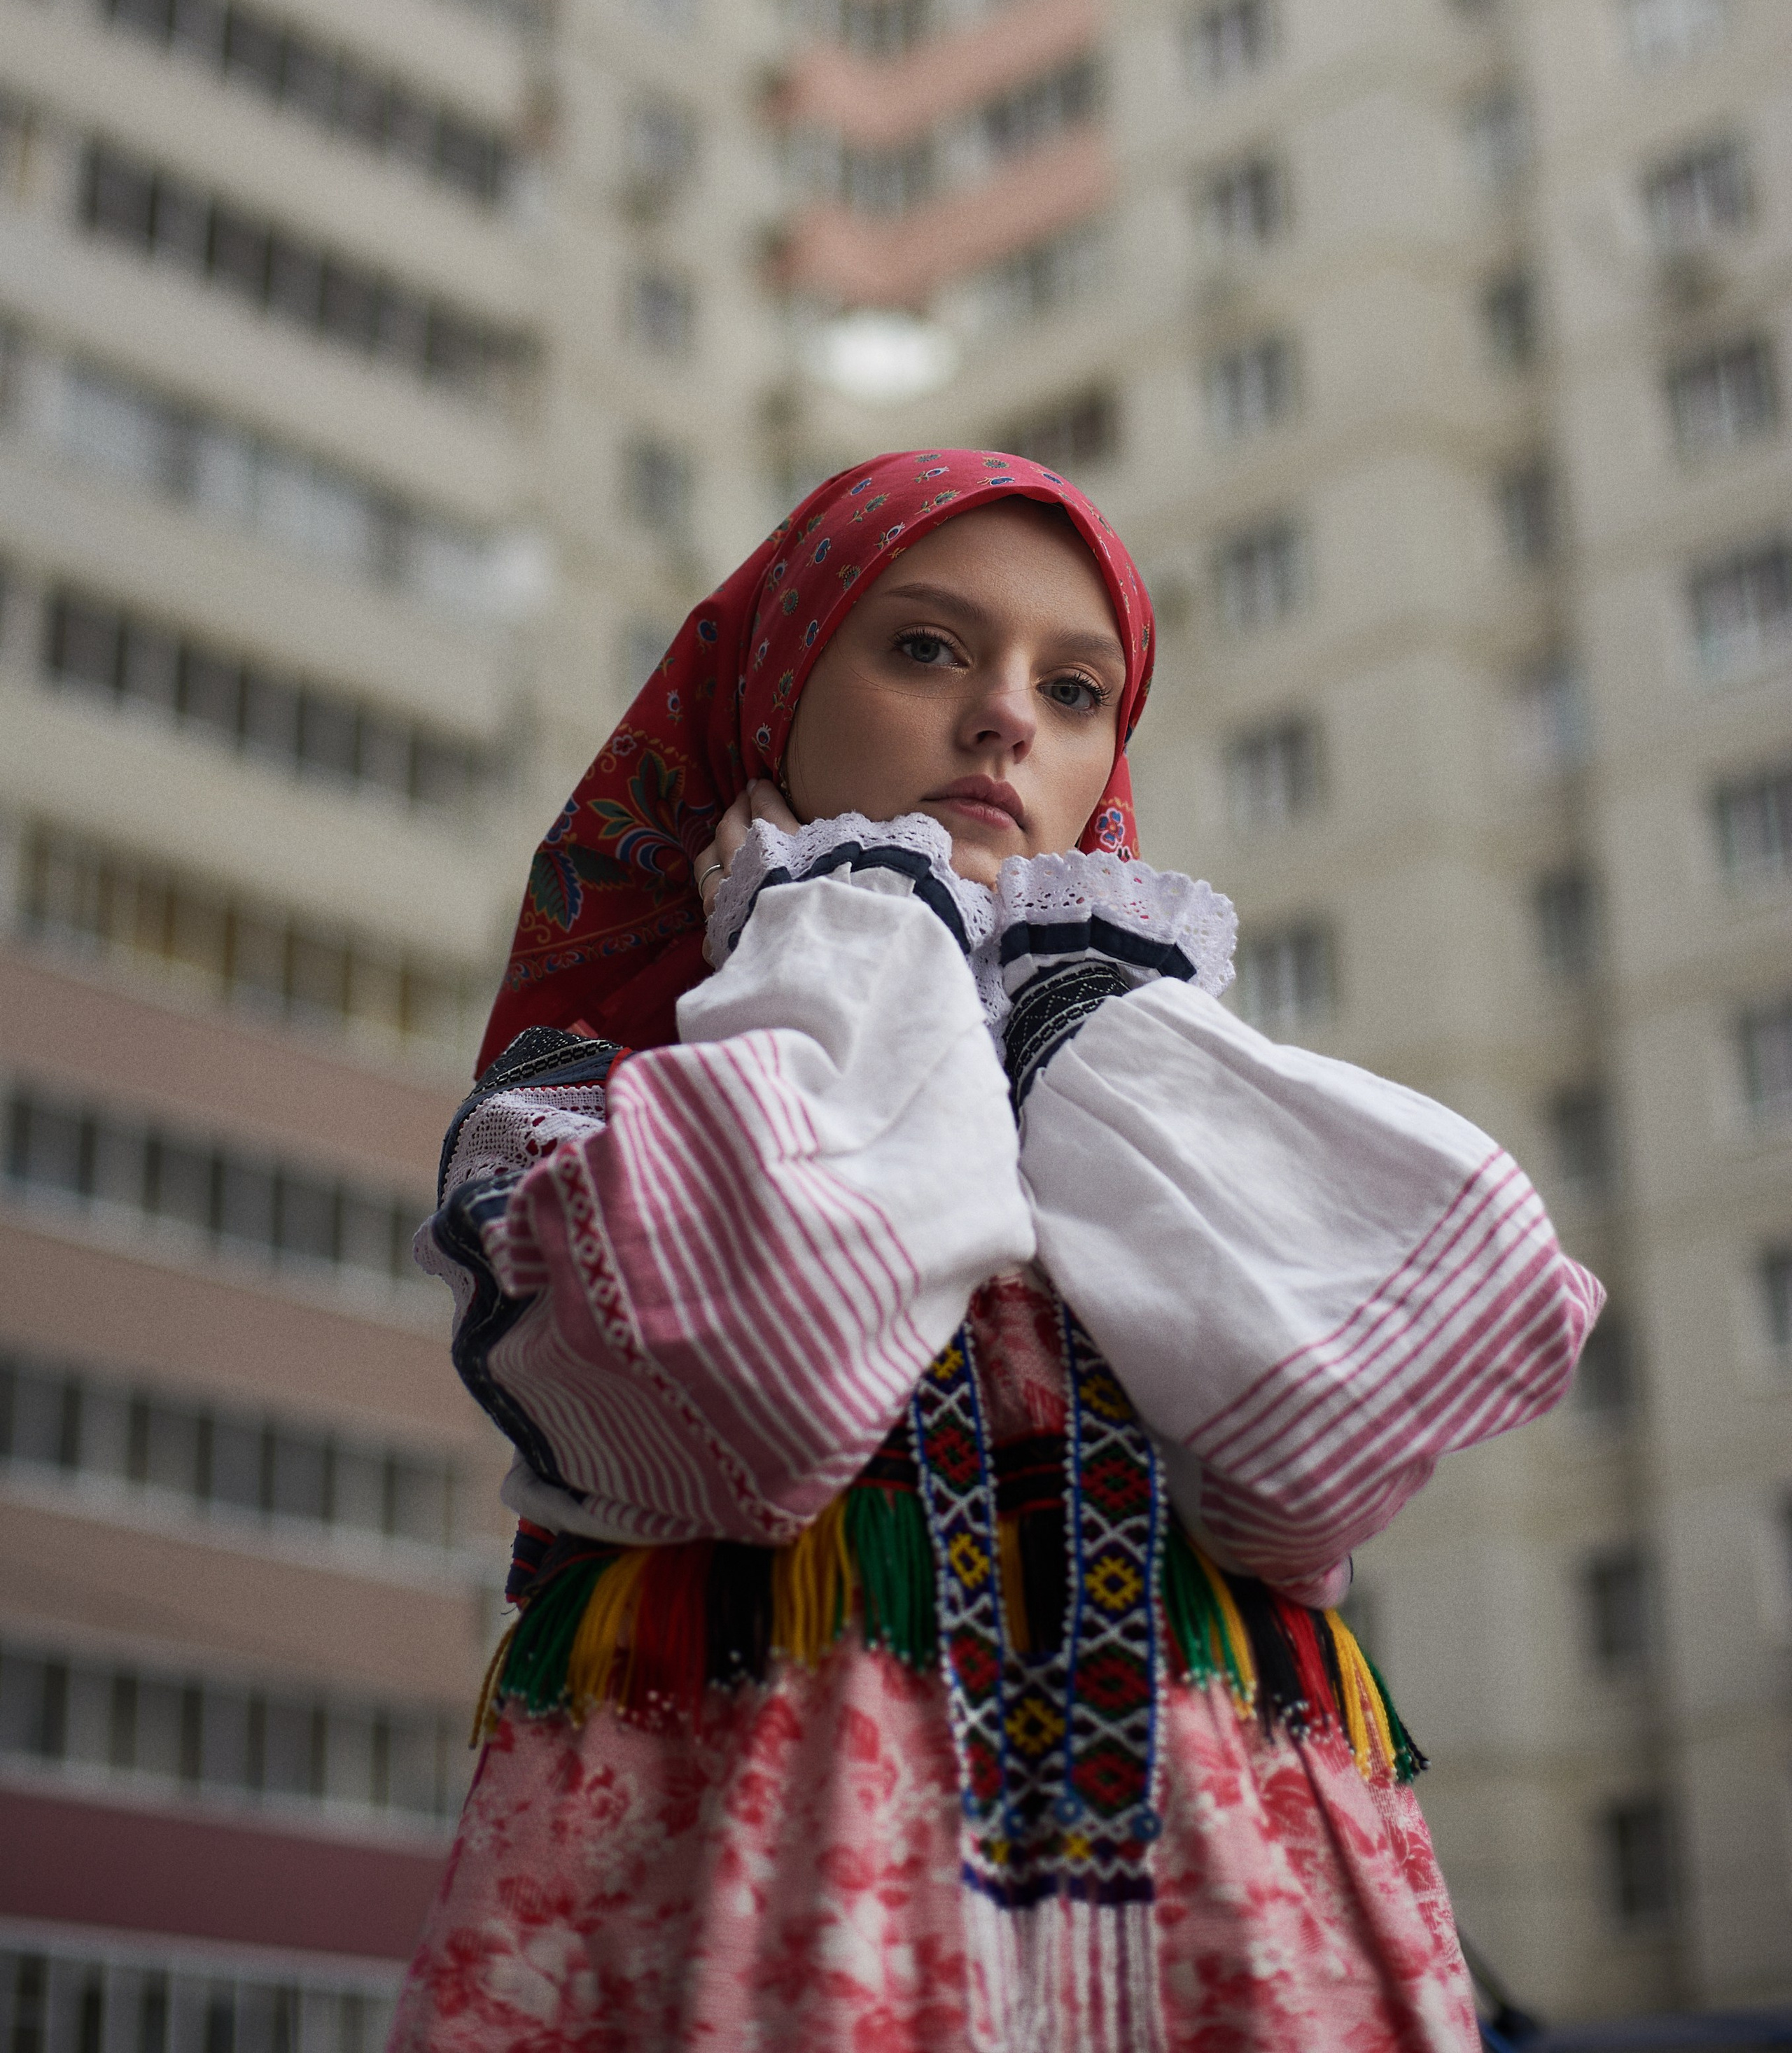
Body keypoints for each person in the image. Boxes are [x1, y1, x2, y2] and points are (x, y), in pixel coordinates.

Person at [391, 447, 1600, 2053]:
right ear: (766, 699)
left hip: (1227, 1914)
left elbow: (1318, 1452)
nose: (1006, 718)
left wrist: (1075, 1018)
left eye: (1076, 684)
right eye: (925, 648)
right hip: (767, 1910)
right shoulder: (586, 1110)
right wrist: (848, 920)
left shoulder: (1147, 1082)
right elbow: (772, 1384)